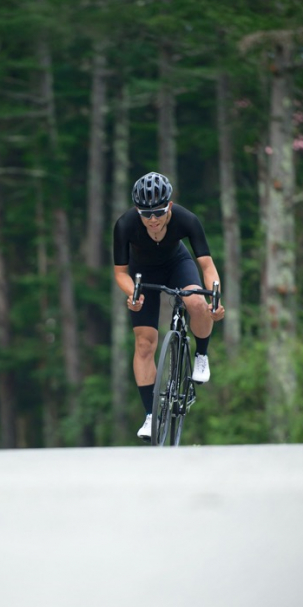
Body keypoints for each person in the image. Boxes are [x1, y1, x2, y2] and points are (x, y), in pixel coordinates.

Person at [113, 171, 225, 440]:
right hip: (143, 275)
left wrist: (214, 299)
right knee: (144, 343)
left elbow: (207, 265)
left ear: (170, 207)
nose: (152, 220)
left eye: (159, 212)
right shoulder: (125, 225)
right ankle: (151, 416)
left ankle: (201, 355)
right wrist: (133, 294)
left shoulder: (187, 220)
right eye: (145, 213)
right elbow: (120, 273)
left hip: (178, 265)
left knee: (196, 302)